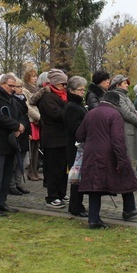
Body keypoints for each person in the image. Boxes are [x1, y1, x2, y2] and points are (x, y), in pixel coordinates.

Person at [76, 90, 137, 229]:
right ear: (116, 103)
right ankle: (129, 209)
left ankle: (93, 219)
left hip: (91, 153)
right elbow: (118, 139)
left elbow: (79, 135)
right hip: (109, 153)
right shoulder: (115, 114)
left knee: (95, 186)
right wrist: (122, 159)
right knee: (126, 176)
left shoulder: (90, 113)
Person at [0, 73, 26, 217]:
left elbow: (22, 115)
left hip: (11, 142)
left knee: (7, 174)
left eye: (14, 86)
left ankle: (2, 202)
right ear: (2, 84)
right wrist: (16, 126)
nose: (13, 89)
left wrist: (21, 127)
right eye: (10, 86)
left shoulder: (13, 100)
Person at [34, 69, 70, 208]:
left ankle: (61, 193)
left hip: (63, 138)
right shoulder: (48, 98)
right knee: (54, 169)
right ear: (54, 84)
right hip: (53, 139)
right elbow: (57, 115)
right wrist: (69, 110)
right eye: (62, 84)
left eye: (65, 84)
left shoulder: (63, 96)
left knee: (63, 170)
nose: (64, 87)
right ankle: (52, 196)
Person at [63, 75, 88, 217]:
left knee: (79, 176)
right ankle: (75, 206)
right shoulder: (71, 107)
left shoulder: (78, 105)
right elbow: (75, 128)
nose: (82, 93)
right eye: (80, 90)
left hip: (80, 145)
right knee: (76, 177)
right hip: (75, 146)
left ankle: (78, 204)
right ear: (72, 91)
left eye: (83, 90)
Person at [8, 78, 32, 197]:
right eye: (18, 87)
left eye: (21, 87)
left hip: (24, 132)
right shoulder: (12, 100)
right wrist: (18, 128)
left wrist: (28, 131)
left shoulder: (22, 100)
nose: (20, 89)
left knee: (21, 162)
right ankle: (11, 185)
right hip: (17, 133)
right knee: (14, 161)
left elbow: (26, 117)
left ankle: (18, 183)